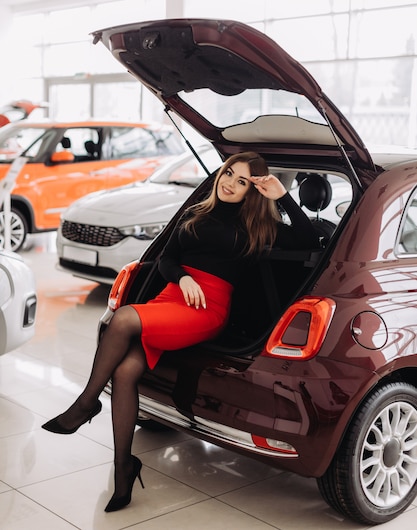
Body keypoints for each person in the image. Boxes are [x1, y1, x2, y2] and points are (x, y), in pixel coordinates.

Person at [42, 151, 319, 513]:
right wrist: (183, 277)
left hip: (208, 309)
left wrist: (281, 196)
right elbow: (166, 260)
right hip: (170, 296)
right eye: (229, 174)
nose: (230, 183)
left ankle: (85, 403)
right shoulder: (196, 213)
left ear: (252, 190)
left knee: (123, 318)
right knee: (125, 372)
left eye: (242, 181)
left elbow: (310, 242)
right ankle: (124, 468)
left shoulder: (261, 227)